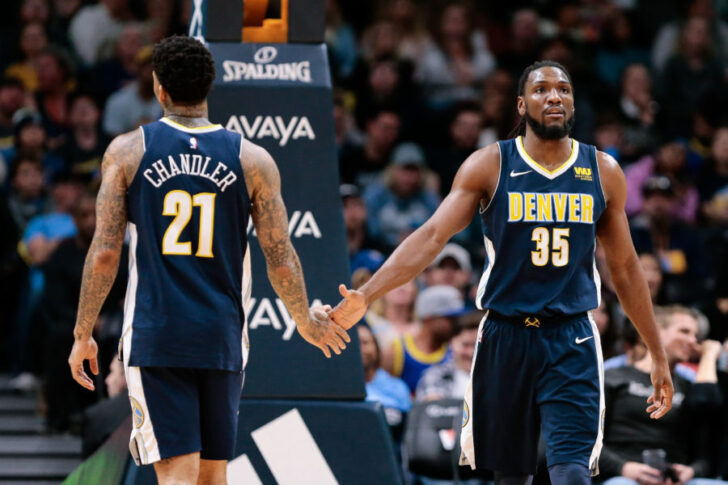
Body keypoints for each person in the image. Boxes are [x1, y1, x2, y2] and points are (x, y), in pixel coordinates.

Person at [330, 60, 674, 485]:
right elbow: (433, 235)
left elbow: (624, 268)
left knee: (572, 474)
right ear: (521, 104)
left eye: (563, 90)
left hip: (572, 337)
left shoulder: (602, 171)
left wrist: (657, 352)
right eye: (542, 89)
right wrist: (367, 294)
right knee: (511, 478)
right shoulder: (489, 165)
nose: (554, 97)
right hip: (504, 335)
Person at [67, 36, 349, 485]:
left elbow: (104, 254)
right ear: (209, 87)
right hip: (220, 334)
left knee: (178, 474)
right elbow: (279, 256)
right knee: (213, 477)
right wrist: (304, 320)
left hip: (157, 334)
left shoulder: (127, 151)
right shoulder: (253, 159)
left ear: (159, 88)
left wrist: (83, 333)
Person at [599, 306, 726, 485]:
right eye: (684, 331)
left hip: (673, 480)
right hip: (623, 476)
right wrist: (623, 467)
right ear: (656, 332)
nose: (693, 340)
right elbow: (587, 441)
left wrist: (691, 471)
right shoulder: (613, 377)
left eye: (696, 335)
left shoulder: (691, 388)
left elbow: (705, 452)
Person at [382, 284, 461, 394]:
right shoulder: (397, 350)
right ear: (429, 318)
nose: (455, 324)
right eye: (449, 319)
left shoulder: (457, 349)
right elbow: (384, 390)